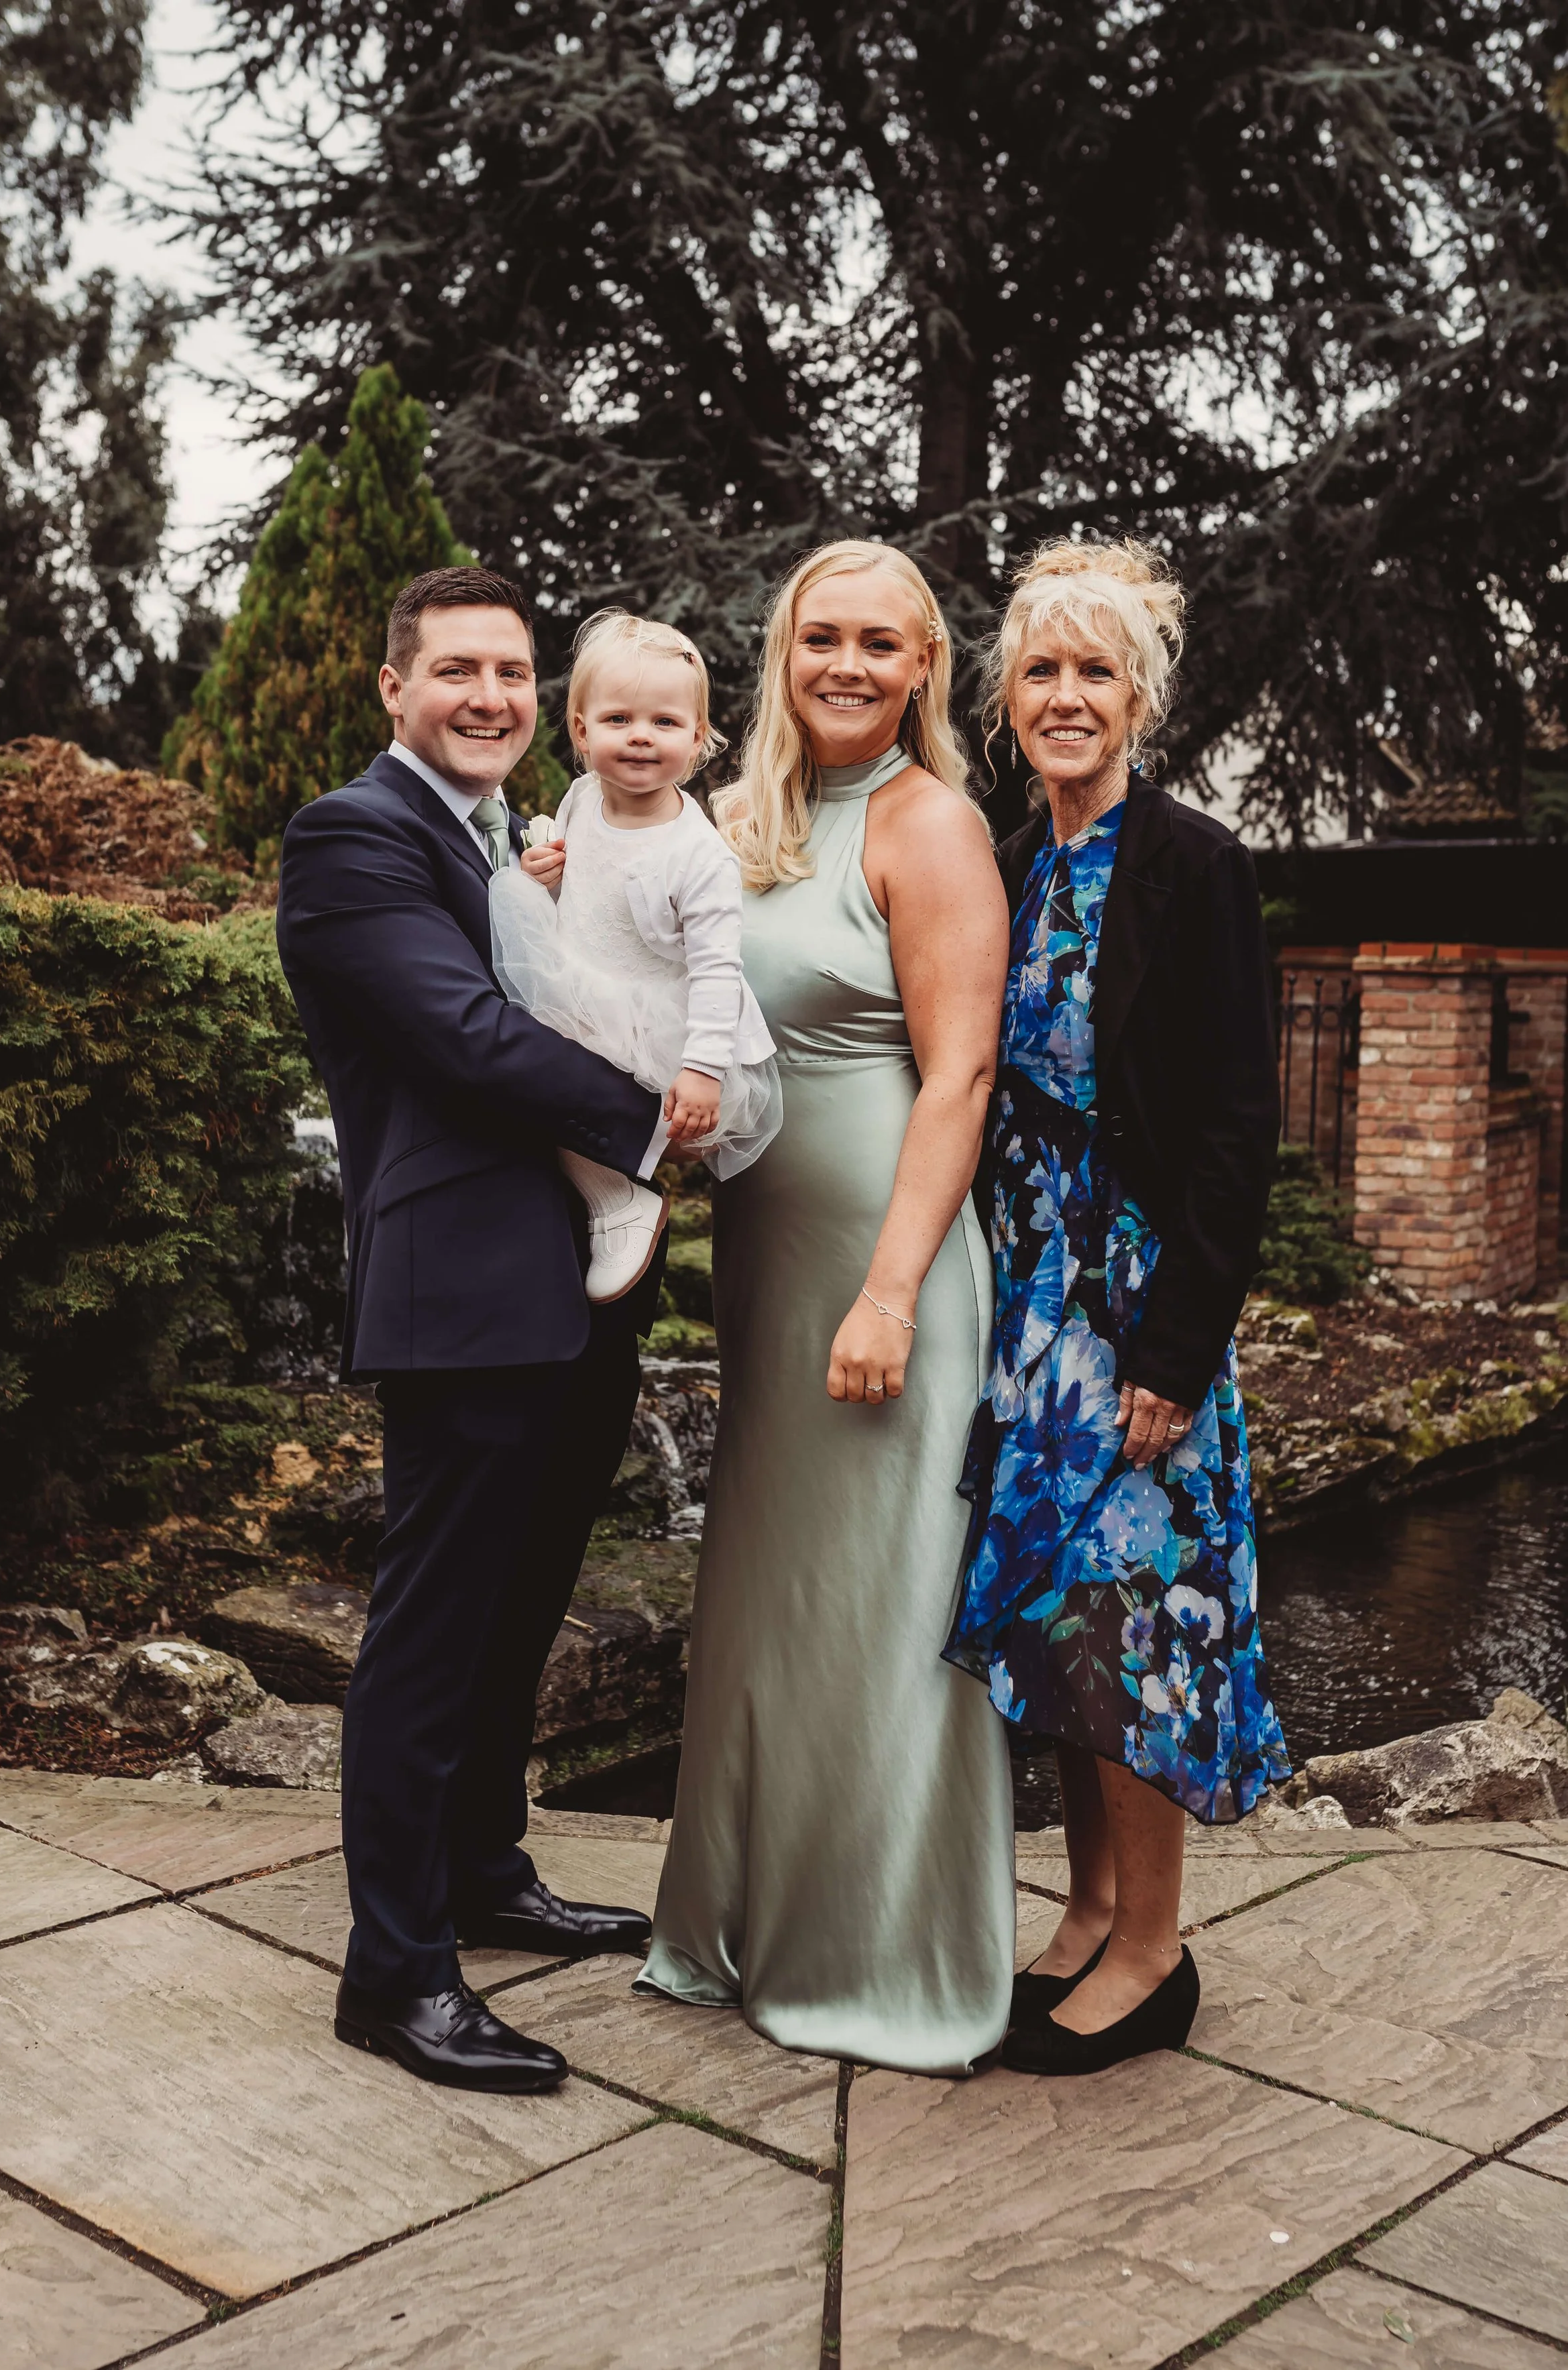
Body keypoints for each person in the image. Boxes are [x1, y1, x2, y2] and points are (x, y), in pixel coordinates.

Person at [274, 565, 677, 2095]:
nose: (492, 697)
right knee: (435, 1625)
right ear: (396, 687)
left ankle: (486, 1868)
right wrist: (660, 1120)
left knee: (522, 1603)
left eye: (513, 672)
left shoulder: (510, 837)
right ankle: (396, 1971)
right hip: (462, 1281)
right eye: (458, 671)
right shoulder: (355, 836)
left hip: (575, 1281)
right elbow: (464, 1033)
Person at [638, 540, 1018, 2076]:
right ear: (781, 656)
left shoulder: (932, 826)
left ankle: (876, 1952)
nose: (849, 664)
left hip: (886, 1265)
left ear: (921, 666)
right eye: (821, 639)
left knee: (878, 1606)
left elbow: (962, 1073)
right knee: (774, 1605)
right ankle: (737, 1920)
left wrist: (889, 1290)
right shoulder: (746, 822)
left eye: (881, 642)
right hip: (767, 1266)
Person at [944, 539, 1290, 2078]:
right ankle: (1085, 1907)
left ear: (1137, 694)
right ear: (1007, 696)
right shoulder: (1005, 865)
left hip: (1136, 1305)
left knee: (1131, 1617)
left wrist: (1175, 1347)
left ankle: (1154, 1946)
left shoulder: (1194, 864)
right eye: (1042, 669)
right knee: (1060, 1622)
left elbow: (1233, 1129)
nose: (1066, 695)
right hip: (1024, 1305)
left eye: (1095, 670)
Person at [488, 608, 782, 1300]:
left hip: (656, 1023)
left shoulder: (696, 854)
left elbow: (718, 969)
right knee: (516, 1070)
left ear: (699, 738)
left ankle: (617, 1202)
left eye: (665, 723)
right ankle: (611, 1196)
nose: (642, 738)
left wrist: (703, 1070)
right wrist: (546, 879)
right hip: (578, 982)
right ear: (583, 734)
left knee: (543, 1087)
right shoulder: (583, 797)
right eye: (619, 721)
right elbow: (586, 894)